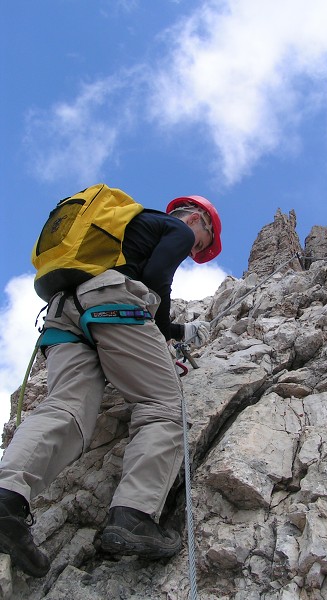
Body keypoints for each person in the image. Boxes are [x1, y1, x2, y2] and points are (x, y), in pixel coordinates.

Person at [0, 195, 222, 577]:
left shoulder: (122, 232)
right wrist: (162, 335)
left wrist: (178, 331)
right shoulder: (177, 230)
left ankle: (7, 499)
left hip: (62, 311)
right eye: (200, 243)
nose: (191, 250)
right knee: (162, 405)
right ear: (198, 219)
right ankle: (133, 515)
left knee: (65, 408)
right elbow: (154, 282)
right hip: (113, 303)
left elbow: (147, 286)